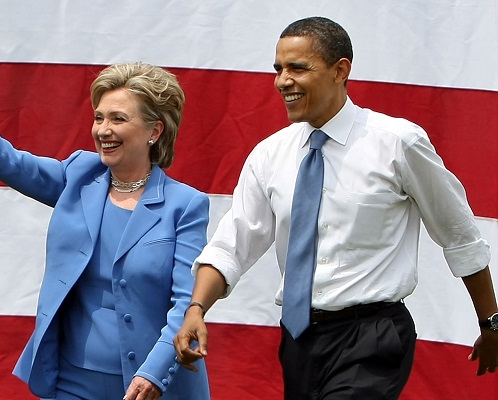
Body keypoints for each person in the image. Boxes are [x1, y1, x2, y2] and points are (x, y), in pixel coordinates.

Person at [173, 16, 498, 399]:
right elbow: (233, 244)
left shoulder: (398, 142)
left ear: (340, 70)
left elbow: (459, 235)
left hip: (374, 336)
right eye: (278, 69)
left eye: (298, 68)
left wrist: (490, 323)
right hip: (299, 340)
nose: (282, 81)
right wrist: (197, 308)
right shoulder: (269, 154)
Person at [0, 32, 211, 400]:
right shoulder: (79, 174)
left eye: (118, 118)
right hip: (73, 381)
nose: (103, 130)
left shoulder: (186, 205)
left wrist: (154, 373)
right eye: (99, 118)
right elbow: (7, 161)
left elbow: (186, 304)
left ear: (154, 131)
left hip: (153, 385)